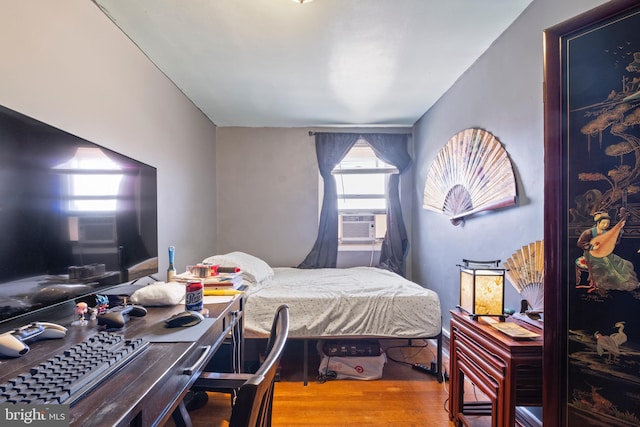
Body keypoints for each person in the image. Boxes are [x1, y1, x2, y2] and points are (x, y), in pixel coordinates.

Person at [576, 211, 639, 292]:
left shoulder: (606, 233)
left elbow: (614, 242)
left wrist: (619, 230)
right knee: (608, 263)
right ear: (598, 223)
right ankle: (621, 283)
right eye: (603, 223)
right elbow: (580, 243)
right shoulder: (589, 232)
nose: (606, 225)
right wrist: (592, 247)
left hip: (604, 253)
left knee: (620, 262)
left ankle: (628, 282)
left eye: (607, 224)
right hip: (590, 254)